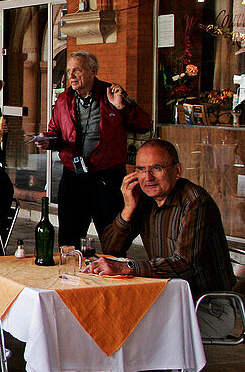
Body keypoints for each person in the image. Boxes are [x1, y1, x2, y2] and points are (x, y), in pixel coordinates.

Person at [86, 139, 235, 334]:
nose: (147, 177)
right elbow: (111, 249)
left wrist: (127, 267)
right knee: (101, 313)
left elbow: (185, 265)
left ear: (177, 171)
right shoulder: (145, 200)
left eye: (156, 168)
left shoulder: (195, 203)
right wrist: (128, 208)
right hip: (167, 297)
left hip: (207, 306)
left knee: (123, 325)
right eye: (140, 169)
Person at [34, 51, 151, 246]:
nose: (71, 75)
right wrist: (48, 140)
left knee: (113, 241)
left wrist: (122, 108)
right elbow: (55, 132)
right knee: (68, 242)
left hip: (107, 178)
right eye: (69, 70)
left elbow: (144, 124)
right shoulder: (63, 99)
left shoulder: (112, 94)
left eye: (77, 70)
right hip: (73, 177)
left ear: (93, 72)